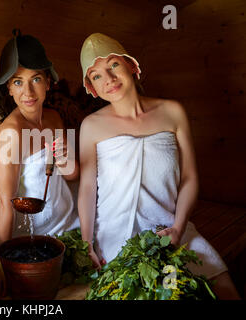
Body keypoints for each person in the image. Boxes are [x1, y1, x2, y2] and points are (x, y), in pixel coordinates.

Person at [77, 33, 240, 299]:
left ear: (131, 65)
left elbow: (189, 177)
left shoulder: (172, 112)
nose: (108, 79)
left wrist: (177, 227)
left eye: (113, 65)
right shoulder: (92, 126)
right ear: (92, 87)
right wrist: (87, 243)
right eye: (96, 75)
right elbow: (87, 187)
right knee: (153, 290)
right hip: (117, 233)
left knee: (224, 289)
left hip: (171, 225)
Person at [0, 30, 80, 248]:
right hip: (33, 237)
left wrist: (64, 159)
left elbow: (71, 175)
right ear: (9, 89)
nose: (28, 91)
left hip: (70, 224)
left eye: (36, 79)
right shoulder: (10, 133)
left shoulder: (54, 118)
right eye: (18, 82)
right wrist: (2, 261)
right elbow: (5, 202)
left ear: (48, 82)